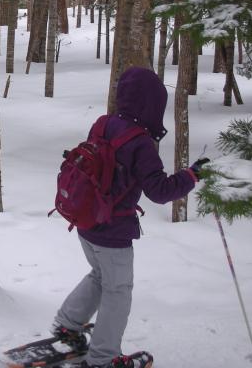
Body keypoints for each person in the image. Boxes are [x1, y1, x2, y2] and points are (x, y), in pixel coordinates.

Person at [51, 66, 207, 368]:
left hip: (85, 220)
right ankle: (103, 358)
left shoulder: (103, 123)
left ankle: (68, 325)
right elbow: (159, 191)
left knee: (100, 276)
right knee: (118, 290)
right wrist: (191, 175)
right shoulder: (141, 142)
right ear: (151, 104)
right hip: (113, 231)